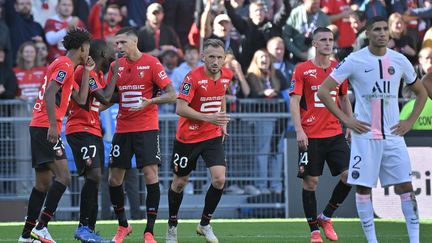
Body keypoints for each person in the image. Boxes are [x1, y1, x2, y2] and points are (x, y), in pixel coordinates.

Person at [317, 16, 428, 243]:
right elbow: (323, 90)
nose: (382, 33)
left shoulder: (400, 60)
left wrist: (409, 121)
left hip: (393, 136)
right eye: (376, 29)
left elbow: (422, 93)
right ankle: (372, 241)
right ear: (367, 33)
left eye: (385, 29)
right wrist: (346, 120)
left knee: (406, 187)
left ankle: (415, 240)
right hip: (364, 137)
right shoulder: (354, 60)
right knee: (364, 189)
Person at [18, 28, 93, 243]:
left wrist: (87, 71)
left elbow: (80, 98)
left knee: (42, 184)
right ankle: (41, 227)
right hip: (45, 126)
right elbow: (51, 92)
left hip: (40, 126)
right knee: (64, 177)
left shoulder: (66, 67)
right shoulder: (64, 65)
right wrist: (53, 125)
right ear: (82, 48)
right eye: (87, 48)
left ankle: (26, 236)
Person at [107, 27, 176, 243]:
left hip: (146, 128)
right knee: (114, 179)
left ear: (134, 42)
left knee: (150, 176)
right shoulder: (114, 66)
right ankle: (123, 226)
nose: (118, 47)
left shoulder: (152, 63)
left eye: (122, 43)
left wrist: (151, 102)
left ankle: (149, 231)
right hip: (123, 129)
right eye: (116, 43)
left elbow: (173, 94)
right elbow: (110, 98)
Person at [290, 27, 353, 243]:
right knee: (311, 183)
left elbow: (344, 99)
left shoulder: (339, 69)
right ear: (314, 44)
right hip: (311, 135)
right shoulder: (302, 69)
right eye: (323, 40)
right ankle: (314, 231)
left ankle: (325, 217)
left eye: (330, 39)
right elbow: (295, 101)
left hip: (335, 133)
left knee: (350, 175)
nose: (328, 43)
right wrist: (299, 129)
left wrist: (350, 125)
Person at [165, 38, 232, 243]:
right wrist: (209, 118)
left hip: (211, 135)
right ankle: (172, 226)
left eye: (219, 57)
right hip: (188, 137)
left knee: (219, 179)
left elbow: (221, 95)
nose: (215, 61)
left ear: (224, 59)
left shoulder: (227, 75)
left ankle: (204, 224)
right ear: (203, 57)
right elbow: (180, 108)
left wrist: (222, 121)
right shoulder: (192, 77)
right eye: (211, 56)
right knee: (179, 182)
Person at [65, 39, 119, 242]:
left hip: (93, 130)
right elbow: (104, 98)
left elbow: (99, 104)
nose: (113, 58)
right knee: (94, 175)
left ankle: (89, 229)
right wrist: (115, 75)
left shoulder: (97, 74)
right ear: (103, 55)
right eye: (111, 54)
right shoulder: (84, 72)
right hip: (80, 130)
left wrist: (126, 95)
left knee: (95, 178)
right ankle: (83, 227)